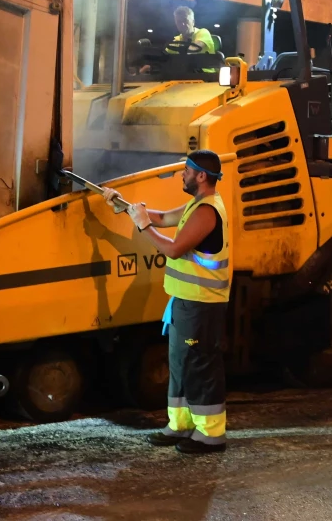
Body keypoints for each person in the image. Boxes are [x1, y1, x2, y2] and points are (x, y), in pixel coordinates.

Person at [102, 149, 230, 455]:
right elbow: (162, 217)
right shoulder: (196, 205)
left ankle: (211, 434)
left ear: (201, 175)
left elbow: (173, 249)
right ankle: (180, 424)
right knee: (181, 364)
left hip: (202, 304)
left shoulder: (207, 212)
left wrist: (144, 227)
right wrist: (125, 206)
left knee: (199, 365)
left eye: (186, 170)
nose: (181, 174)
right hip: (186, 302)